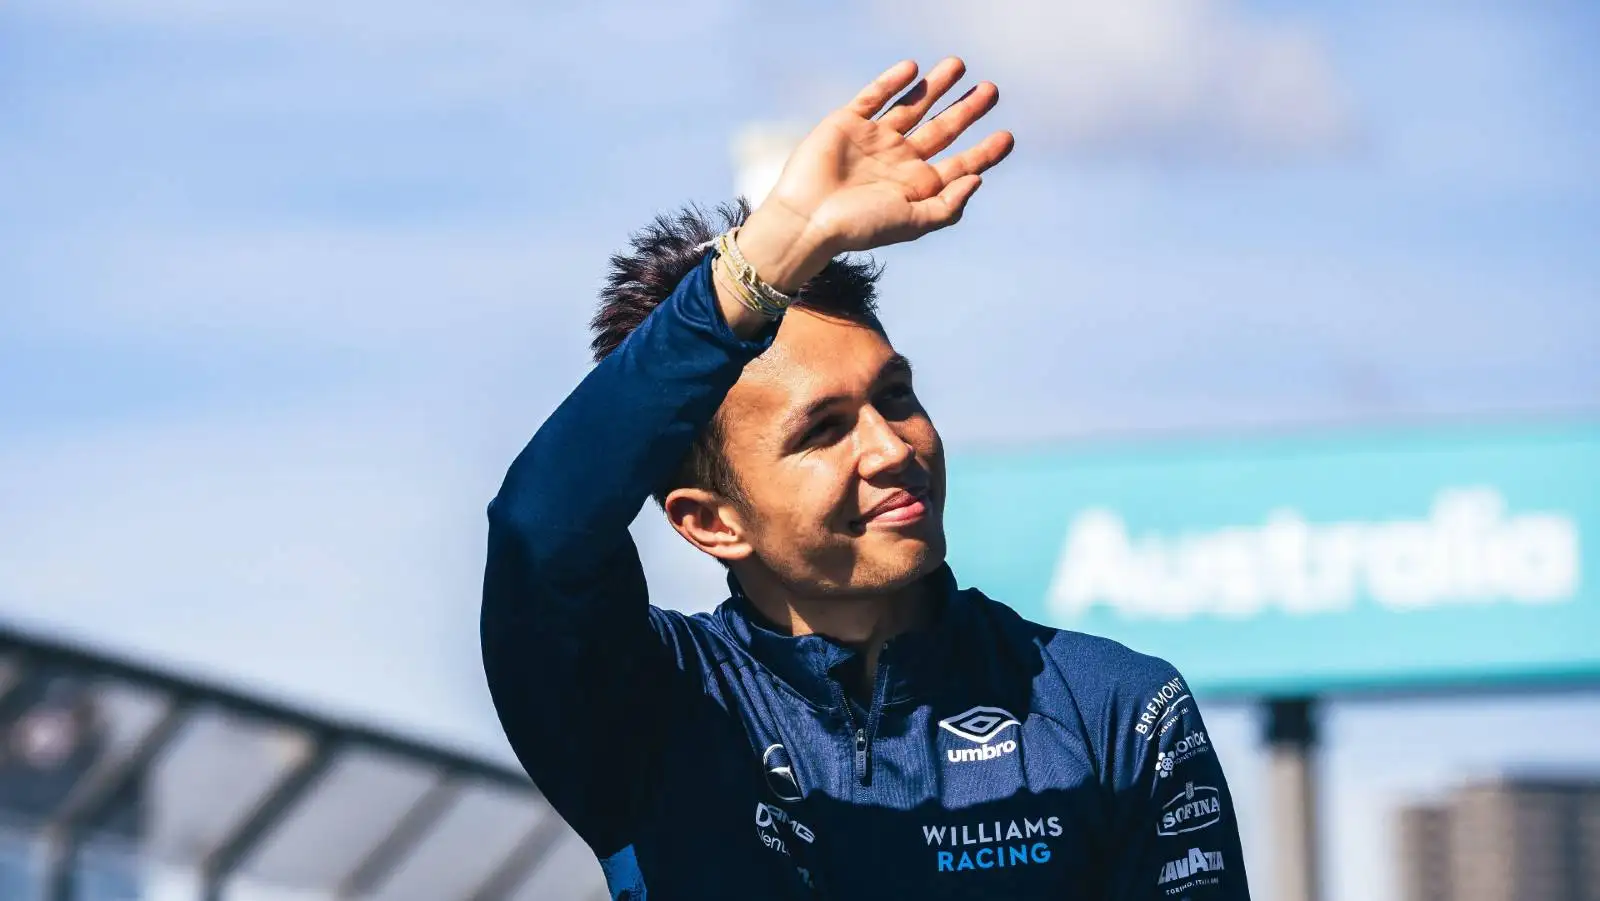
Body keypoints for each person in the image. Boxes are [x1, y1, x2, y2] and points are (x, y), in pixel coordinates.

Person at [481, 57, 1251, 900]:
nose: (892, 447)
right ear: (709, 522)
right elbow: (540, 531)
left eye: (896, 396)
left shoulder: (1116, 709)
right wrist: (769, 256)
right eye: (823, 430)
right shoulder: (652, 707)